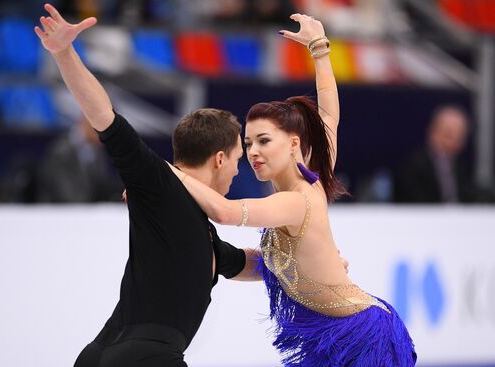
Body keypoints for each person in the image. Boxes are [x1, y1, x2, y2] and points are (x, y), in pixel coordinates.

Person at [169, 14, 417, 366]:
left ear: (293, 143)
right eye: (248, 142)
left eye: (264, 141)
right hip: (330, 335)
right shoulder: (312, 176)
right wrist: (319, 50)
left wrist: (165, 175)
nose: (253, 151)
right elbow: (329, 113)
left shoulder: (295, 200)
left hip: (361, 339)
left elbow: (223, 211)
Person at [34, 4, 259, 366]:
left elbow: (245, 264)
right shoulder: (159, 184)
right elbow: (105, 119)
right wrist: (64, 53)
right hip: (144, 358)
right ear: (219, 158)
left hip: (105, 356)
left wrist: (307, 266)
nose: (237, 170)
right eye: (237, 158)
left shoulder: (204, 235)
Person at [393, 105, 476, 203]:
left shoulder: (462, 166)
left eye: (459, 138)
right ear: (433, 133)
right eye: (448, 135)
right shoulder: (413, 167)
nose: (453, 143)